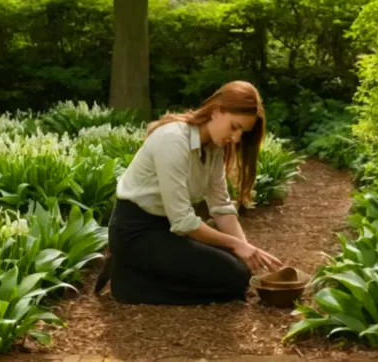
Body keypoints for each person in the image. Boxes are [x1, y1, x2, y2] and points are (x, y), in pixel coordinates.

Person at [93, 80, 283, 305]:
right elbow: (183, 221)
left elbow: (221, 208)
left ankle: (140, 270)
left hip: (169, 231)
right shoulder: (173, 140)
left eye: (243, 132)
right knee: (234, 279)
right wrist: (235, 246)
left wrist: (245, 252)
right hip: (136, 233)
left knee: (241, 270)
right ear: (216, 111)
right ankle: (130, 283)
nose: (236, 138)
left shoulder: (214, 149)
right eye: (235, 126)